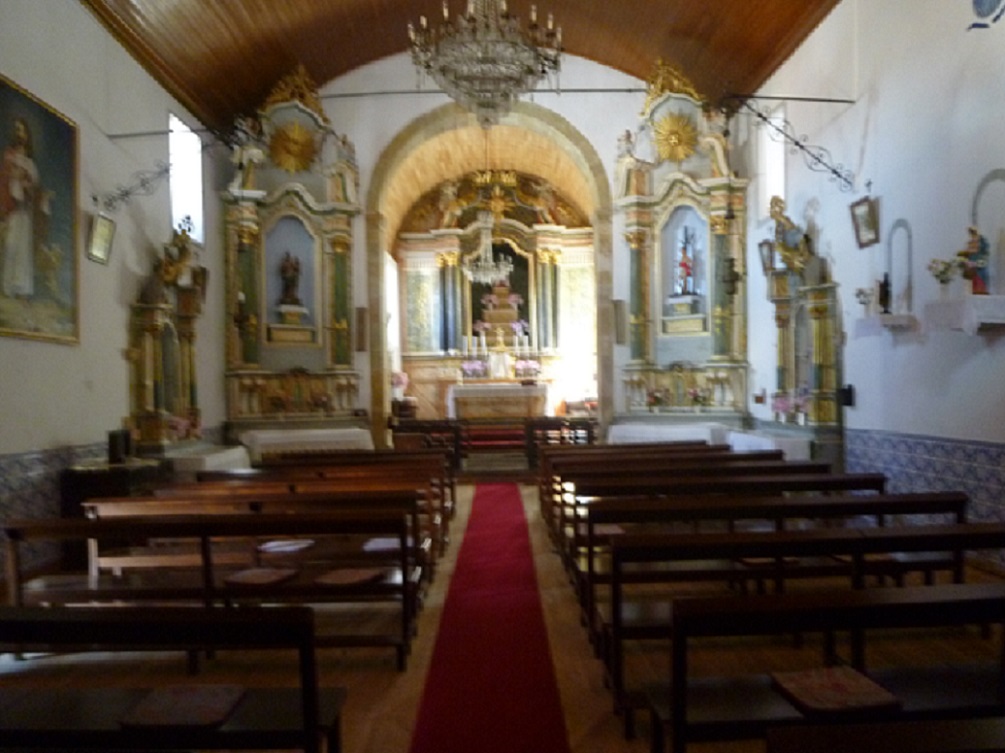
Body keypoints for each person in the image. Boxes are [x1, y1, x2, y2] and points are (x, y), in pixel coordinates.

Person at [0, 117, 51, 299]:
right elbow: (4, 180)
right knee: (12, 245)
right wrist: (14, 177)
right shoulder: (9, 156)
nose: (19, 133)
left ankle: (21, 290)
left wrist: (40, 196)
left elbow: (34, 189)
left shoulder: (30, 163)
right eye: (16, 129)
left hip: (25, 211)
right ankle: (7, 288)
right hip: (13, 208)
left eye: (22, 130)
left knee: (23, 250)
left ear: (27, 135)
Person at [958, 226, 990, 294]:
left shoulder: (982, 255)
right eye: (971, 246)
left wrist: (973, 264)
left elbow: (982, 264)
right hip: (972, 276)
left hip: (980, 275)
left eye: (975, 244)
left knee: (979, 287)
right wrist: (966, 263)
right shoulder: (970, 255)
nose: (972, 247)